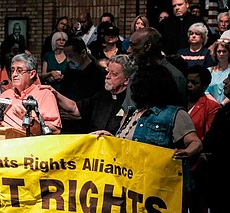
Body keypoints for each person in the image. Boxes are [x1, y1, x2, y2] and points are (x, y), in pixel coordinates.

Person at [92, 64, 203, 213]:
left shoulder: (174, 114)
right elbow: (127, 144)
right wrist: (110, 139)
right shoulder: (132, 113)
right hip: (131, 189)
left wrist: (187, 152)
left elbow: (195, 142)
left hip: (160, 192)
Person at [43, 54, 137, 135]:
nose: (107, 77)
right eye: (108, 72)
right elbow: (75, 108)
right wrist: (54, 93)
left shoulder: (132, 102)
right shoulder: (102, 96)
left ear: (126, 80)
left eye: (114, 74)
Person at [0, 53, 61, 135]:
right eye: (12, 70)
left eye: (19, 71)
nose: (14, 74)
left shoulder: (44, 94)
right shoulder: (6, 95)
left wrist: (31, 121)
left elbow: (55, 130)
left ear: (32, 74)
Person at [122, 27, 187, 114]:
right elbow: (128, 112)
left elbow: (176, 114)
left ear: (148, 46)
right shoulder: (135, 75)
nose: (128, 50)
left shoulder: (174, 76)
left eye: (133, 45)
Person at [186, 65, 220, 213]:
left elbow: (209, 136)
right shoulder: (179, 102)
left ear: (205, 86)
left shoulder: (212, 107)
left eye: (195, 83)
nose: (189, 85)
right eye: (188, 81)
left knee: (197, 206)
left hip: (197, 165)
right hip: (176, 161)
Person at [59, 37, 106, 133]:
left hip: (86, 125)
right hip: (67, 123)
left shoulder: (98, 74)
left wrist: (81, 114)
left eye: (71, 56)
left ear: (83, 53)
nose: (68, 60)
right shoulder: (70, 70)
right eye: (66, 56)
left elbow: (100, 101)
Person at [202, 72, 230, 213]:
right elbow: (209, 141)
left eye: (229, 78)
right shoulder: (223, 112)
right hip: (217, 179)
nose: (225, 81)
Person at [205, 38, 230, 105]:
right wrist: (215, 105)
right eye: (219, 51)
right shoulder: (209, 71)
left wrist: (223, 104)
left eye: (224, 51)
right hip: (211, 107)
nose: (221, 54)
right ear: (215, 53)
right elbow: (205, 91)